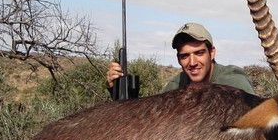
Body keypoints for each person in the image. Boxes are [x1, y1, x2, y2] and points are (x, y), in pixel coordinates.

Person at [107, 22, 255, 95]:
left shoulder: (233, 82)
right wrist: (118, 91)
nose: (192, 63)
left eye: (199, 53)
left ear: (212, 53)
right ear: (178, 59)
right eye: (185, 56)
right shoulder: (175, 85)